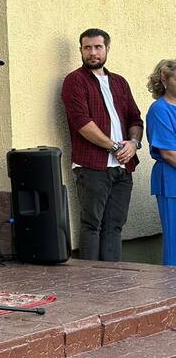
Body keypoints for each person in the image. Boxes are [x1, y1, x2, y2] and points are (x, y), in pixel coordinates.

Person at [60, 28, 143, 262]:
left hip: (123, 167)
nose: (93, 53)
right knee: (91, 225)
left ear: (107, 49)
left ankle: (112, 277)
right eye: (87, 48)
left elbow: (135, 119)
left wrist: (133, 144)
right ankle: (91, 279)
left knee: (115, 226)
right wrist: (114, 148)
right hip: (92, 166)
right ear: (81, 50)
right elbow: (82, 123)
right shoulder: (75, 81)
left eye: (98, 47)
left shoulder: (119, 82)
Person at [144, 60, 176, 266]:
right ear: (164, 80)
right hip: (171, 180)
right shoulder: (160, 110)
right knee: (175, 241)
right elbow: (168, 153)